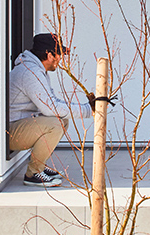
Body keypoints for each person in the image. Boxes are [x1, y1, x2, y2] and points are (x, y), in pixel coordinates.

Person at [8, 33, 95, 187]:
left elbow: (53, 102)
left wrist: (87, 108)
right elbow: (50, 108)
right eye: (59, 54)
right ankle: (34, 173)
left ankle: (39, 166)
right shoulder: (30, 72)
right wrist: (88, 111)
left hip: (18, 126)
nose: (61, 59)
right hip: (11, 131)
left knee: (61, 120)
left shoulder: (37, 70)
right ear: (49, 54)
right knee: (55, 123)